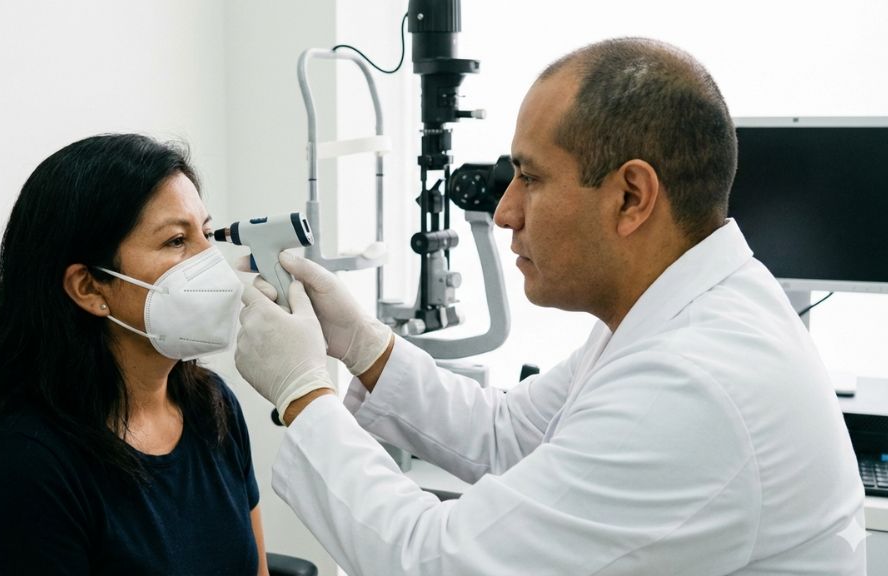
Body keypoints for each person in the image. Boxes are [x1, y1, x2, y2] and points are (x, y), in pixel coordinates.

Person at [234, 38, 867, 575]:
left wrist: (303, 395)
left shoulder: (694, 383)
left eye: (530, 179)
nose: (505, 211)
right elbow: (508, 434)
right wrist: (361, 344)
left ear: (631, 197)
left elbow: (441, 563)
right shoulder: (670, 313)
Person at [0, 134, 269, 575]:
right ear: (90, 287)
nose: (210, 261)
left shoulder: (212, 406)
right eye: (176, 241)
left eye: (206, 233)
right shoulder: (23, 467)